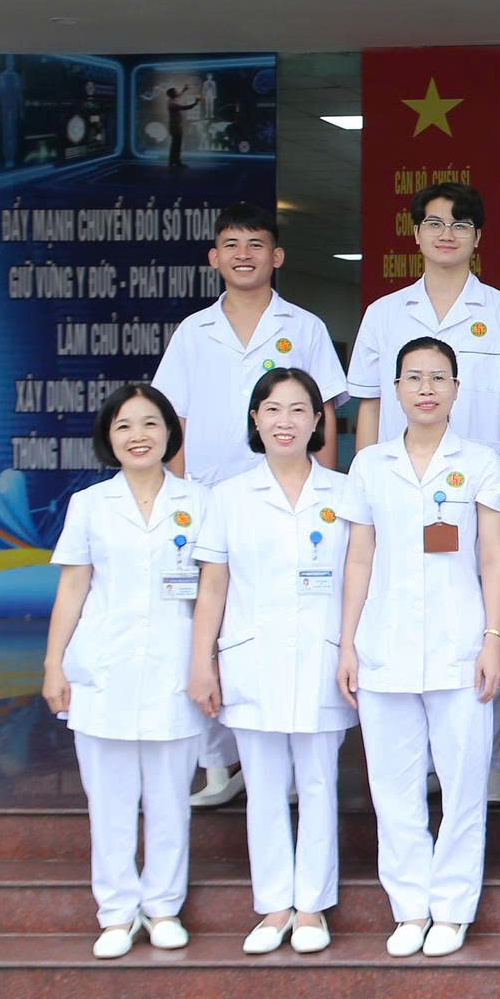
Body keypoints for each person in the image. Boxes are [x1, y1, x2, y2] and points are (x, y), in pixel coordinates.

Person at [346, 181, 500, 807]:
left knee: (485, 618)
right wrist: (369, 484)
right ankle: (420, 762)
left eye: (460, 223)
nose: (446, 233)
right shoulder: (384, 314)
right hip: (399, 487)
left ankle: (481, 760)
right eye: (433, 222)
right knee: (403, 606)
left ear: (478, 238)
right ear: (416, 234)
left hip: (482, 493)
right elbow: (371, 408)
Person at [151, 203, 348, 811]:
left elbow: (327, 412)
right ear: (214, 258)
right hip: (211, 500)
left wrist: (325, 483)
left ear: (277, 256)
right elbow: (174, 419)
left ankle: (286, 750)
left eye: (256, 244)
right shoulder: (192, 331)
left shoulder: (305, 326)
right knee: (201, 623)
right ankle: (216, 761)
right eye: (231, 244)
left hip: (293, 498)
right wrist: (178, 500)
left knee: (289, 618)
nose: (244, 254)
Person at [336, 338, 500, 959]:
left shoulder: (481, 461)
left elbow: (493, 556)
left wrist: (494, 638)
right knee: (394, 784)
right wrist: (348, 643)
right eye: (414, 377)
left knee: (464, 782)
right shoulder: (369, 465)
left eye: (439, 377)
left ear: (458, 389)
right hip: (383, 644)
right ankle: (409, 906)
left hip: (461, 643)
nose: (427, 388)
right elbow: (359, 555)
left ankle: (452, 907)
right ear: (395, 390)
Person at [185, 368, 355, 956]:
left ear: (317, 421)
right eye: (273, 410)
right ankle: (273, 906)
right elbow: (212, 587)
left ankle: (311, 907)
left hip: (321, 657)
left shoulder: (344, 493)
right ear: (255, 420)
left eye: (299, 410)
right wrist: (202, 662)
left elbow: (360, 581)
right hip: (250, 657)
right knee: (262, 787)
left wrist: (354, 648)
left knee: (316, 783)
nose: (286, 421)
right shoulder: (228, 496)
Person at [40, 384, 207, 959]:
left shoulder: (200, 502)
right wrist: (52, 664)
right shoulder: (90, 505)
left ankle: (162, 908)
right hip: (103, 668)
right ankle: (116, 913)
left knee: (169, 798)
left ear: (169, 434)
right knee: (108, 800)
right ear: (109, 439)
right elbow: (73, 586)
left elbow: (214, 592)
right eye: (124, 426)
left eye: (150, 423)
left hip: (174, 668)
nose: (138, 435)